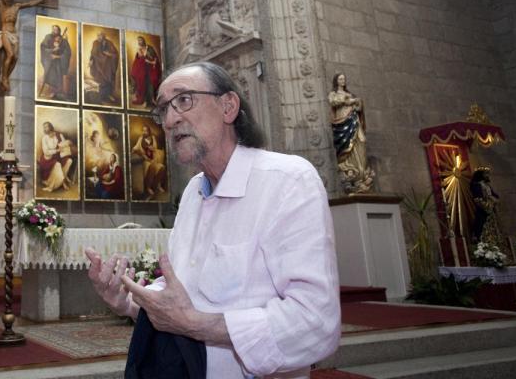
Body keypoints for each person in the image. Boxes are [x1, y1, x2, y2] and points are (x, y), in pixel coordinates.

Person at [86, 61, 340, 378]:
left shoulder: (289, 181)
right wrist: (124, 301)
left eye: (183, 100)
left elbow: (315, 322)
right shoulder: (194, 192)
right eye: (163, 109)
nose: (170, 119)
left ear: (228, 106)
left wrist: (196, 325)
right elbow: (181, 296)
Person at [328, 73, 375, 193]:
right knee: (348, 149)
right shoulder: (334, 94)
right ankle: (351, 171)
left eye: (344, 79)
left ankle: (363, 173)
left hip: (354, 122)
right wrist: (350, 101)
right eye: (340, 79)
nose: (343, 81)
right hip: (342, 124)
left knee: (362, 142)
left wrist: (358, 103)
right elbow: (333, 101)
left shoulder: (350, 94)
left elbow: (358, 107)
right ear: (336, 81)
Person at [37, 122, 74, 192]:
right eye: (44, 127)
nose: (45, 129)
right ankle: (55, 185)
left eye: (46, 127)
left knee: (69, 161)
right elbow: (46, 152)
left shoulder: (57, 135)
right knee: (58, 165)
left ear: (50, 127)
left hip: (56, 157)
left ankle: (61, 181)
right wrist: (57, 150)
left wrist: (67, 143)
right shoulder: (44, 138)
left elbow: (65, 143)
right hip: (46, 160)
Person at [132, 124, 166, 199]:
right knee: (152, 166)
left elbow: (155, 148)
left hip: (153, 159)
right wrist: (133, 150)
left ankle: (156, 185)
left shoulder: (153, 137)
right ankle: (148, 187)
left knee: (162, 167)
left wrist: (152, 148)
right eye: (143, 130)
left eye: (146, 130)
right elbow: (136, 147)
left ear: (149, 131)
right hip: (146, 160)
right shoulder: (141, 138)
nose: (144, 132)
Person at [39, 24, 72, 99]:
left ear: (59, 31)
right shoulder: (48, 37)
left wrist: (58, 56)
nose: (54, 31)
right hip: (49, 61)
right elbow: (43, 47)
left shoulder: (63, 39)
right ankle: (50, 91)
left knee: (58, 76)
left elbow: (67, 52)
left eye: (56, 30)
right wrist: (52, 50)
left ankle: (57, 92)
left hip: (59, 62)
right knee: (49, 75)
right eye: (53, 29)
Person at [88, 30, 120, 104]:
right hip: (98, 66)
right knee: (100, 81)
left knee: (108, 81)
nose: (98, 37)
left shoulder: (109, 43)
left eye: (100, 35)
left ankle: (108, 95)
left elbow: (115, 54)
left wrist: (109, 54)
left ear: (104, 36)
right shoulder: (95, 43)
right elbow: (92, 53)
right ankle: (102, 97)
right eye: (98, 35)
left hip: (107, 67)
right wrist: (91, 60)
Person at [130, 36, 162, 108]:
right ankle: (146, 101)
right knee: (144, 85)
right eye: (138, 41)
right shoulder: (139, 49)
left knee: (151, 85)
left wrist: (150, 61)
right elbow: (139, 60)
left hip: (151, 70)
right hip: (143, 71)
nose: (139, 42)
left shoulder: (149, 48)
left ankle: (151, 101)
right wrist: (140, 54)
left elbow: (155, 59)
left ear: (143, 41)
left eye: (140, 40)